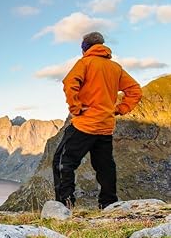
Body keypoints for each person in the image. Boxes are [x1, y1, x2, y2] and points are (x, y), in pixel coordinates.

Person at [53, 32, 142, 209]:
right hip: (106, 127)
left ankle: (65, 204)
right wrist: (119, 109)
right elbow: (135, 91)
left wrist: (76, 109)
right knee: (105, 167)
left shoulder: (85, 63)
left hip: (85, 125)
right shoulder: (115, 68)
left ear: (85, 47)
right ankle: (108, 204)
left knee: (63, 161)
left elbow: (70, 83)